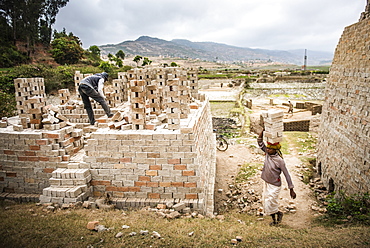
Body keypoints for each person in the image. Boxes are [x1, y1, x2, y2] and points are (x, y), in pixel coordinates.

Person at [258, 128, 296, 225]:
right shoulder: (267, 154)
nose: (267, 149)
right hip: (266, 182)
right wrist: (263, 130)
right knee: (267, 202)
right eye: (267, 148)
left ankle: (278, 214)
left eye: (270, 149)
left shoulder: (279, 161)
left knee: (272, 201)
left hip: (275, 184)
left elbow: (287, 174)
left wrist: (291, 189)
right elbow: (259, 141)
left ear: (275, 150)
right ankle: (275, 220)